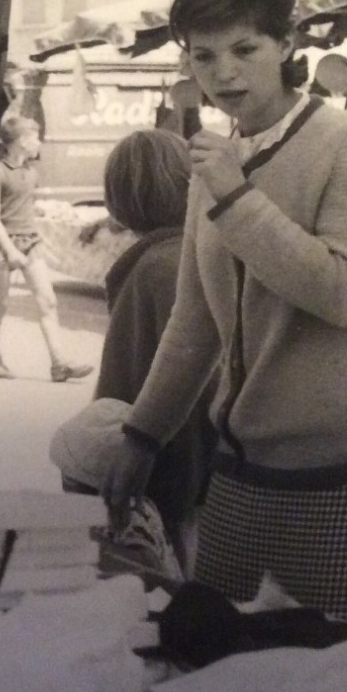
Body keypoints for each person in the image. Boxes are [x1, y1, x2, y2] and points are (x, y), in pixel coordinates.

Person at [101, 0, 347, 631]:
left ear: (286, 41)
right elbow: (196, 321)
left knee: (330, 680)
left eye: (245, 49)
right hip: (244, 464)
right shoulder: (220, 159)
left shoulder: (346, 146)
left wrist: (237, 198)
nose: (225, 72)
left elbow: (346, 291)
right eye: (204, 54)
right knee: (221, 659)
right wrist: (143, 435)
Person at [93, 128, 215, 568]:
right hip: (216, 454)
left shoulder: (151, 270)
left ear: (118, 199)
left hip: (170, 458)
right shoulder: (201, 250)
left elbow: (135, 379)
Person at [0, 115, 93, 383]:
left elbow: (24, 205)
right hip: (1, 244)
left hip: (30, 242)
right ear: (19, 142)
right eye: (34, 137)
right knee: (0, 304)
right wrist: (10, 251)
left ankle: (59, 363)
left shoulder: (32, 173)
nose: (39, 141)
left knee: (48, 301)